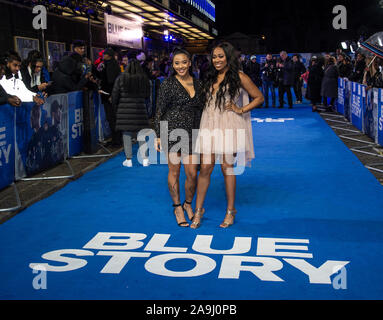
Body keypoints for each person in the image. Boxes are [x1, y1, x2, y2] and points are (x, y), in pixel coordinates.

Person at [193, 42, 264, 229]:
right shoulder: (209, 76)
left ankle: (231, 210)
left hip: (228, 124)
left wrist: (240, 109)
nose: (216, 60)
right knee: (206, 167)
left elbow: (259, 97)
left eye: (220, 56)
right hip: (209, 123)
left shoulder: (239, 76)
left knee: (227, 167)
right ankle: (199, 209)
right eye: (214, 56)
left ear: (228, 58)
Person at [154, 48, 205, 227]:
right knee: (174, 171)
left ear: (190, 63)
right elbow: (159, 109)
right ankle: (177, 207)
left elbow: (202, 110)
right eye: (177, 63)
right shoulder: (167, 84)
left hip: (193, 132)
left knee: (192, 173)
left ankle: (188, 204)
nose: (181, 66)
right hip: (173, 131)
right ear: (172, 65)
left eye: (184, 62)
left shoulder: (199, 84)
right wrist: (158, 135)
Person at [111, 58, 151, 167]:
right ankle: (145, 159)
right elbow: (147, 95)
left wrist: (115, 105)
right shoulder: (144, 79)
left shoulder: (121, 78)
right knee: (141, 135)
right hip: (140, 109)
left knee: (126, 134)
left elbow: (115, 94)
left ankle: (128, 160)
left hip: (124, 110)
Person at [95, 47, 121, 146]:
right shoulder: (112, 64)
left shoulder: (110, 65)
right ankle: (116, 139)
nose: (103, 56)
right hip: (112, 94)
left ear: (108, 55)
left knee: (112, 118)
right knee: (113, 118)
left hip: (109, 95)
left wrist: (111, 95)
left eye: (104, 54)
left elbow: (111, 81)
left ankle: (116, 140)